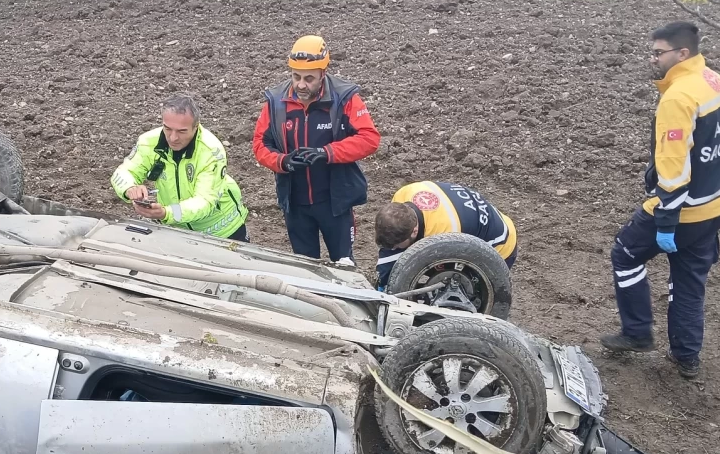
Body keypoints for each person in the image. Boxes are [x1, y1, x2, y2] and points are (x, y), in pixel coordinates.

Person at [600, 21, 720, 380]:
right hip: (715, 206)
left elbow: (673, 167)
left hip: (683, 209)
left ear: (682, 53)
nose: (653, 59)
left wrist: (666, 220)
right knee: (688, 280)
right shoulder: (717, 83)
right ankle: (686, 356)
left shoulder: (678, 98)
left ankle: (637, 332)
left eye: (659, 53)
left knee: (625, 253)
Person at [252, 35, 381, 263]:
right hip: (295, 204)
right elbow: (260, 145)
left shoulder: (344, 98)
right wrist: (283, 162)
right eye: (296, 77)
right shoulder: (275, 102)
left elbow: (369, 138)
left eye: (309, 78)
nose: (301, 85)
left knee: (344, 263)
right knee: (305, 265)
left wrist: (327, 153)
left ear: (323, 73)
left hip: (335, 203)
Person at [110, 95, 249, 240]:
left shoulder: (211, 151)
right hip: (175, 231)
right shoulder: (148, 142)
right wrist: (130, 188)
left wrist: (167, 213)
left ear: (196, 126)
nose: (173, 138)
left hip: (223, 231)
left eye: (182, 131)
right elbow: (123, 172)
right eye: (167, 128)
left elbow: (204, 201)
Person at [374, 181, 518, 290]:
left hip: (501, 244)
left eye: (397, 245)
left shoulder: (444, 233)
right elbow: (391, 252)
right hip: (477, 218)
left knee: (465, 289)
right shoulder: (403, 194)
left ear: (414, 231)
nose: (393, 249)